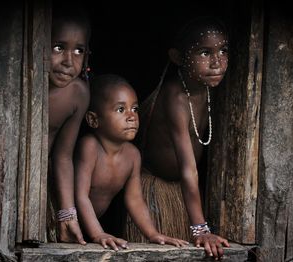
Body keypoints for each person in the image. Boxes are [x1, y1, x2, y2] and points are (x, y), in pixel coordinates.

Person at [124, 16, 230, 259]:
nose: (217, 62)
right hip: (156, 194)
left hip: (183, 195)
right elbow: (188, 168)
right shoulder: (176, 96)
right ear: (177, 58)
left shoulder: (208, 88)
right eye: (204, 53)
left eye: (223, 50)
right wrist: (200, 229)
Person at [74, 74, 189, 250]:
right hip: (71, 223)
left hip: (95, 226)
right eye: (121, 110)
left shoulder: (132, 155)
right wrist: (97, 233)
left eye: (134, 109)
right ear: (93, 119)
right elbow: (80, 195)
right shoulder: (89, 147)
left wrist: (153, 234)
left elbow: (134, 199)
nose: (131, 116)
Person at [48, 6, 91, 244]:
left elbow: (62, 157)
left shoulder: (77, 94)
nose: (68, 61)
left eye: (78, 50)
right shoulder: (17, 81)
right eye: (58, 47)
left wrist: (67, 214)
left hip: (37, 184)